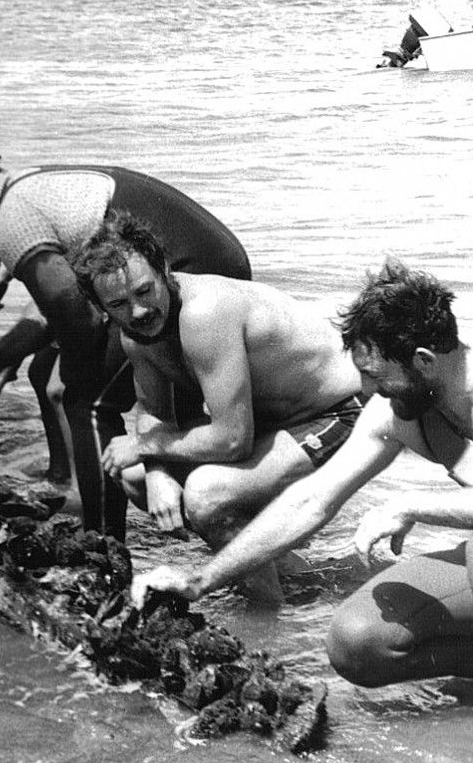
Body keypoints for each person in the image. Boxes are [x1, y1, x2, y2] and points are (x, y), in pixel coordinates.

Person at [132, 258, 473, 747]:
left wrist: (412, 505)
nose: (371, 391)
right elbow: (311, 501)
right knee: (358, 642)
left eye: (379, 377)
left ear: (424, 361)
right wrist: (201, 579)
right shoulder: (400, 408)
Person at [0, 164, 252, 540]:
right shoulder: (23, 184)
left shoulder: (12, 223)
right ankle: (228, 525)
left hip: (176, 272)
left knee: (87, 400)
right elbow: (59, 307)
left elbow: (78, 319)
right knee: (178, 415)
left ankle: (102, 544)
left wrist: (56, 374)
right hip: (212, 257)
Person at [68, 211, 364, 601]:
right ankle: (293, 575)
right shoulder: (136, 335)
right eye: (119, 304)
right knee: (137, 479)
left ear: (163, 271)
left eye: (144, 291)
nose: (138, 311)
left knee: (207, 496)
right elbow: (154, 414)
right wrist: (156, 471)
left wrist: (143, 447)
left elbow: (232, 441)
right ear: (101, 307)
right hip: (273, 427)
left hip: (338, 412)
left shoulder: (204, 312)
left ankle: (265, 620)